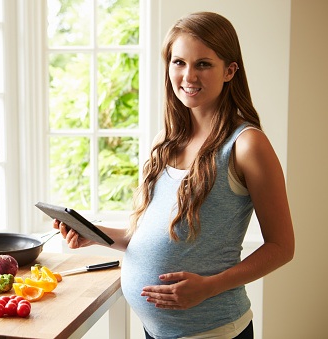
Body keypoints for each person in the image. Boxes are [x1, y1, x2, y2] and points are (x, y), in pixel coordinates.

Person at [52, 11, 294, 339]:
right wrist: (94, 233)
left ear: (229, 71)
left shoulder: (246, 144)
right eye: (178, 62)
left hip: (214, 331)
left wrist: (208, 287)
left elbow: (282, 247)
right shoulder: (165, 142)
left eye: (203, 64)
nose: (188, 75)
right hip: (156, 331)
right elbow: (149, 236)